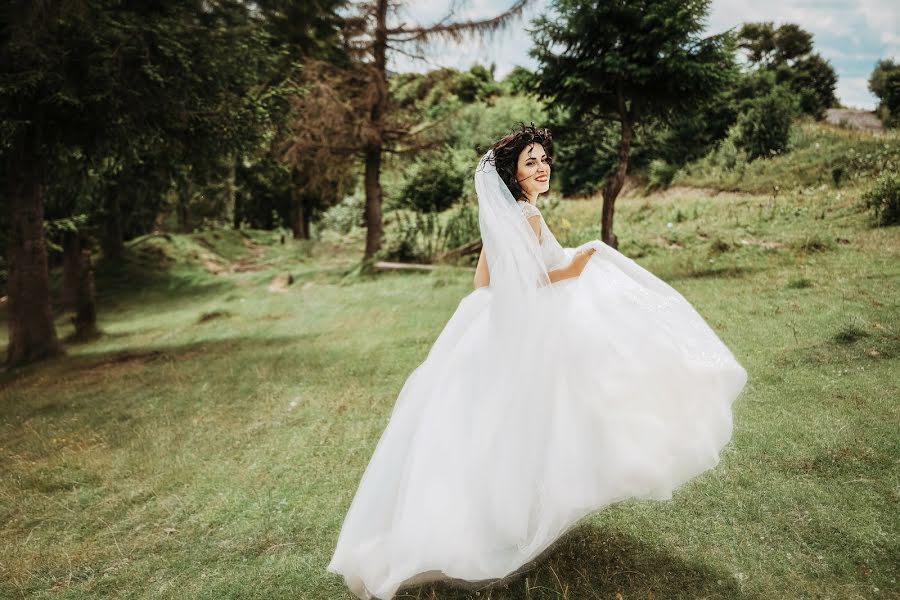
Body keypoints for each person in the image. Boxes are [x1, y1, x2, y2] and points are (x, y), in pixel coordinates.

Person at [326, 124, 748, 600]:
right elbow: (526, 282)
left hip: (490, 328)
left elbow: (481, 283)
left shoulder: (506, 219)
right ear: (514, 173)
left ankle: (490, 516)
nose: (542, 166)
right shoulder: (524, 217)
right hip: (528, 325)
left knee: (496, 427)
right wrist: (576, 265)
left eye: (544, 158)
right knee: (568, 406)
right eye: (531, 161)